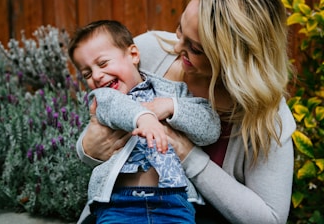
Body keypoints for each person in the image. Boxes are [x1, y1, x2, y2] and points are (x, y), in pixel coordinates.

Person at [78, 0, 297, 223]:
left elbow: (269, 219)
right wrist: (89, 148)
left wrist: (188, 155)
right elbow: (102, 118)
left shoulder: (267, 115)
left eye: (196, 49)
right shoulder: (148, 51)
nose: (176, 47)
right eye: (180, 28)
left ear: (234, 60)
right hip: (120, 209)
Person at [68, 20, 221, 224]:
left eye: (103, 63)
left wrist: (172, 107)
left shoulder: (173, 92)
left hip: (174, 201)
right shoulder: (103, 100)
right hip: (119, 204)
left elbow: (209, 128)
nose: (96, 76)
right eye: (87, 73)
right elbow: (117, 107)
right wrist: (144, 117)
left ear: (133, 55)